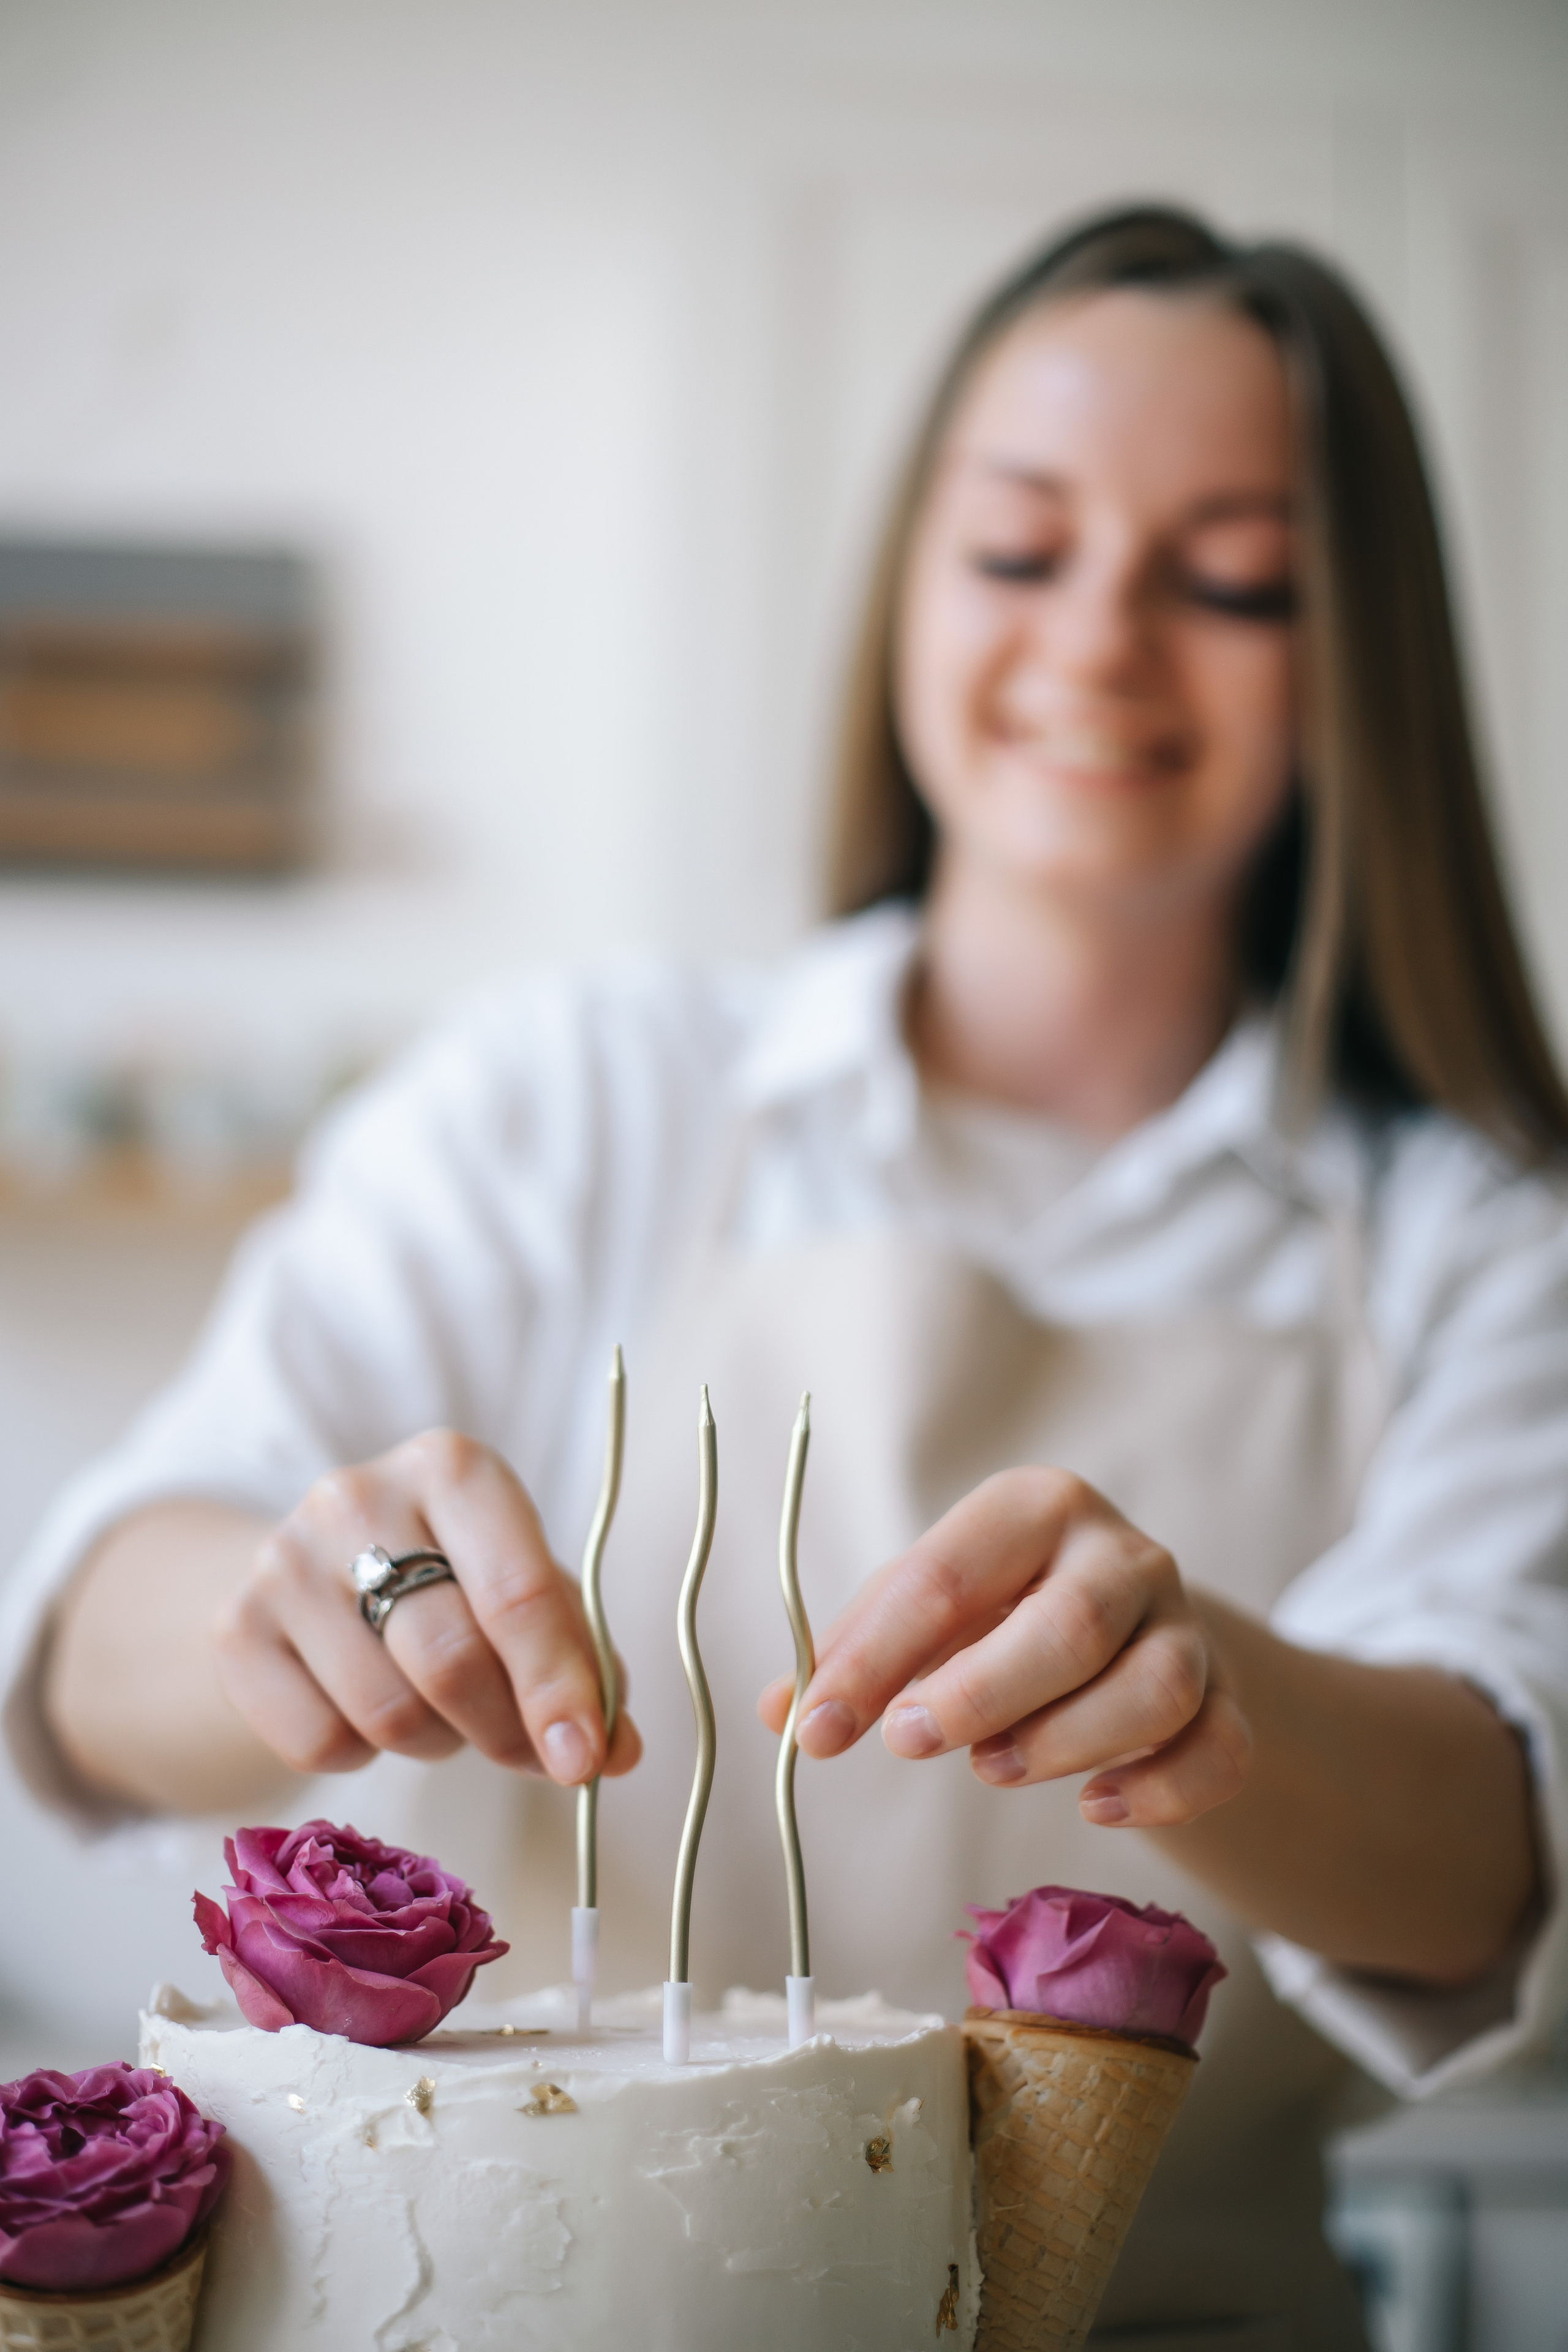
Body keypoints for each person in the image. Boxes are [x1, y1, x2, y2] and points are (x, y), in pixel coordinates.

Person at [4, 205, 1566, 2348]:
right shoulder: (581, 1094)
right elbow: (88, 1652)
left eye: (1226, 580)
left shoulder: (1483, 1245)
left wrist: (1219, 1701)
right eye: (1022, 550)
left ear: (1358, 654)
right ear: (909, 582)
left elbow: (1497, 1848)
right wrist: (285, 1599)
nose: (1099, 642)